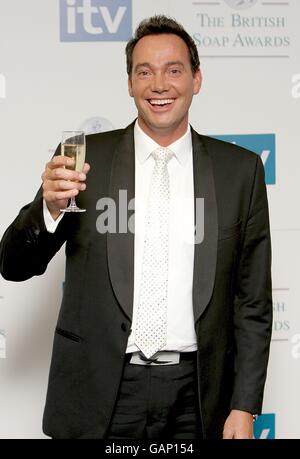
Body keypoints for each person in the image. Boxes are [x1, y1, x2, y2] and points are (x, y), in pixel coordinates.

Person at [0, 15, 272, 440]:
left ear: (197, 80)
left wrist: (244, 405)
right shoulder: (83, 158)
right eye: (144, 71)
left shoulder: (240, 171)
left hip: (198, 396)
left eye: (174, 70)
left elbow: (253, 301)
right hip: (101, 390)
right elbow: (13, 265)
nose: (158, 84)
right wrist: (49, 208)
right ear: (129, 83)